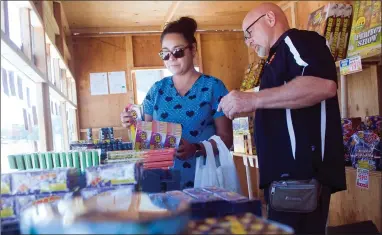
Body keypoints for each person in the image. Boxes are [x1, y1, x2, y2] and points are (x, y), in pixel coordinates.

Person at [218, 3, 346, 234]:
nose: (248, 42)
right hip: (288, 181)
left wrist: (253, 100)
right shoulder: (275, 58)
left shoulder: (296, 41)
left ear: (269, 18)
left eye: (249, 33)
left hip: (299, 178)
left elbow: (322, 85)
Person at [121, 17, 233, 190]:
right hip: (163, 180)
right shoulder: (157, 90)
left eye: (178, 51)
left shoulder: (213, 87)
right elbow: (144, 135)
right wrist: (131, 123)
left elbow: (226, 138)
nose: (171, 58)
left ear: (193, 50)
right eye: (165, 53)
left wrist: (196, 148)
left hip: (203, 179)